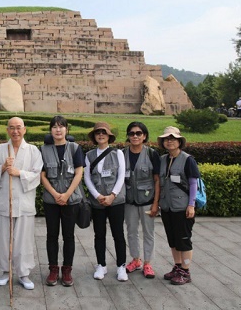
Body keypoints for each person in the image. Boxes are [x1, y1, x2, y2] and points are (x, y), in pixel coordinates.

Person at [0, 117, 43, 290]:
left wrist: (19, 173)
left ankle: (23, 273)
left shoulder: (33, 150)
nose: (15, 131)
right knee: (4, 239)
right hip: (6, 201)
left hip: (25, 202)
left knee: (24, 240)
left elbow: (37, 175)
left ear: (24, 130)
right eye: (11, 128)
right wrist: (3, 167)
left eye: (18, 127)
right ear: (7, 130)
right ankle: (5, 271)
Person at [40, 116, 84, 287]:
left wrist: (66, 195)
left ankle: (66, 270)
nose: (58, 130)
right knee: (51, 235)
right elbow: (42, 175)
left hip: (70, 200)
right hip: (51, 200)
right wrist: (55, 194)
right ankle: (53, 269)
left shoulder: (75, 148)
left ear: (67, 129)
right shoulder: (43, 149)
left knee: (68, 236)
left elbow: (79, 173)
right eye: (55, 127)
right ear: (50, 130)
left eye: (61, 127)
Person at [84, 122, 128, 282]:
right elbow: (87, 177)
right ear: (94, 137)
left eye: (104, 133)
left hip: (116, 201)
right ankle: (101, 264)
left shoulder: (118, 153)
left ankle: (121, 266)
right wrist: (97, 196)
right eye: (98, 133)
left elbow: (121, 176)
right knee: (99, 234)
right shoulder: (89, 155)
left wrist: (112, 195)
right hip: (98, 202)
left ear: (109, 136)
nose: (101, 135)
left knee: (118, 234)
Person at [157, 126, 200, 285]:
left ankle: (186, 271)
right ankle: (177, 267)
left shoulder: (187, 159)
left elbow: (193, 183)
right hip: (167, 206)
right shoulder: (163, 159)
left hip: (182, 206)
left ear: (179, 141)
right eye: (167, 139)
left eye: (173, 138)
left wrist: (191, 205)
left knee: (184, 240)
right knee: (173, 240)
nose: (170, 141)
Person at [122, 122, 161, 279]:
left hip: (147, 199)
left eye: (139, 133)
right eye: (132, 133)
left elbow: (157, 180)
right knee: (131, 231)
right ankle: (135, 259)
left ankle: (147, 262)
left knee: (148, 232)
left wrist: (155, 203)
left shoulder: (152, 154)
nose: (135, 136)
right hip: (129, 199)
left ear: (144, 136)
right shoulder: (122, 154)